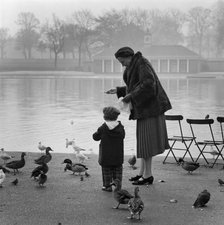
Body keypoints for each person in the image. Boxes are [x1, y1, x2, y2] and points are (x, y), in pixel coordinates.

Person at [106, 46, 172, 185]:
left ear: (128, 57)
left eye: (122, 61)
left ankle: (148, 176)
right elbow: (137, 86)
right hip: (145, 109)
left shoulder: (142, 63)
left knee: (146, 142)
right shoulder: (135, 65)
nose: (122, 64)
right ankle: (143, 173)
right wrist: (119, 90)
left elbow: (148, 85)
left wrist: (129, 97)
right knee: (143, 142)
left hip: (151, 109)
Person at [92, 106, 125, 192]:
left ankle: (107, 186)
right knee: (118, 171)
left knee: (106, 171)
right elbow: (123, 136)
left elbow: (95, 137)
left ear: (105, 117)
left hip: (106, 155)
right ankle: (118, 186)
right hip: (118, 155)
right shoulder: (120, 127)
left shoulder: (103, 128)